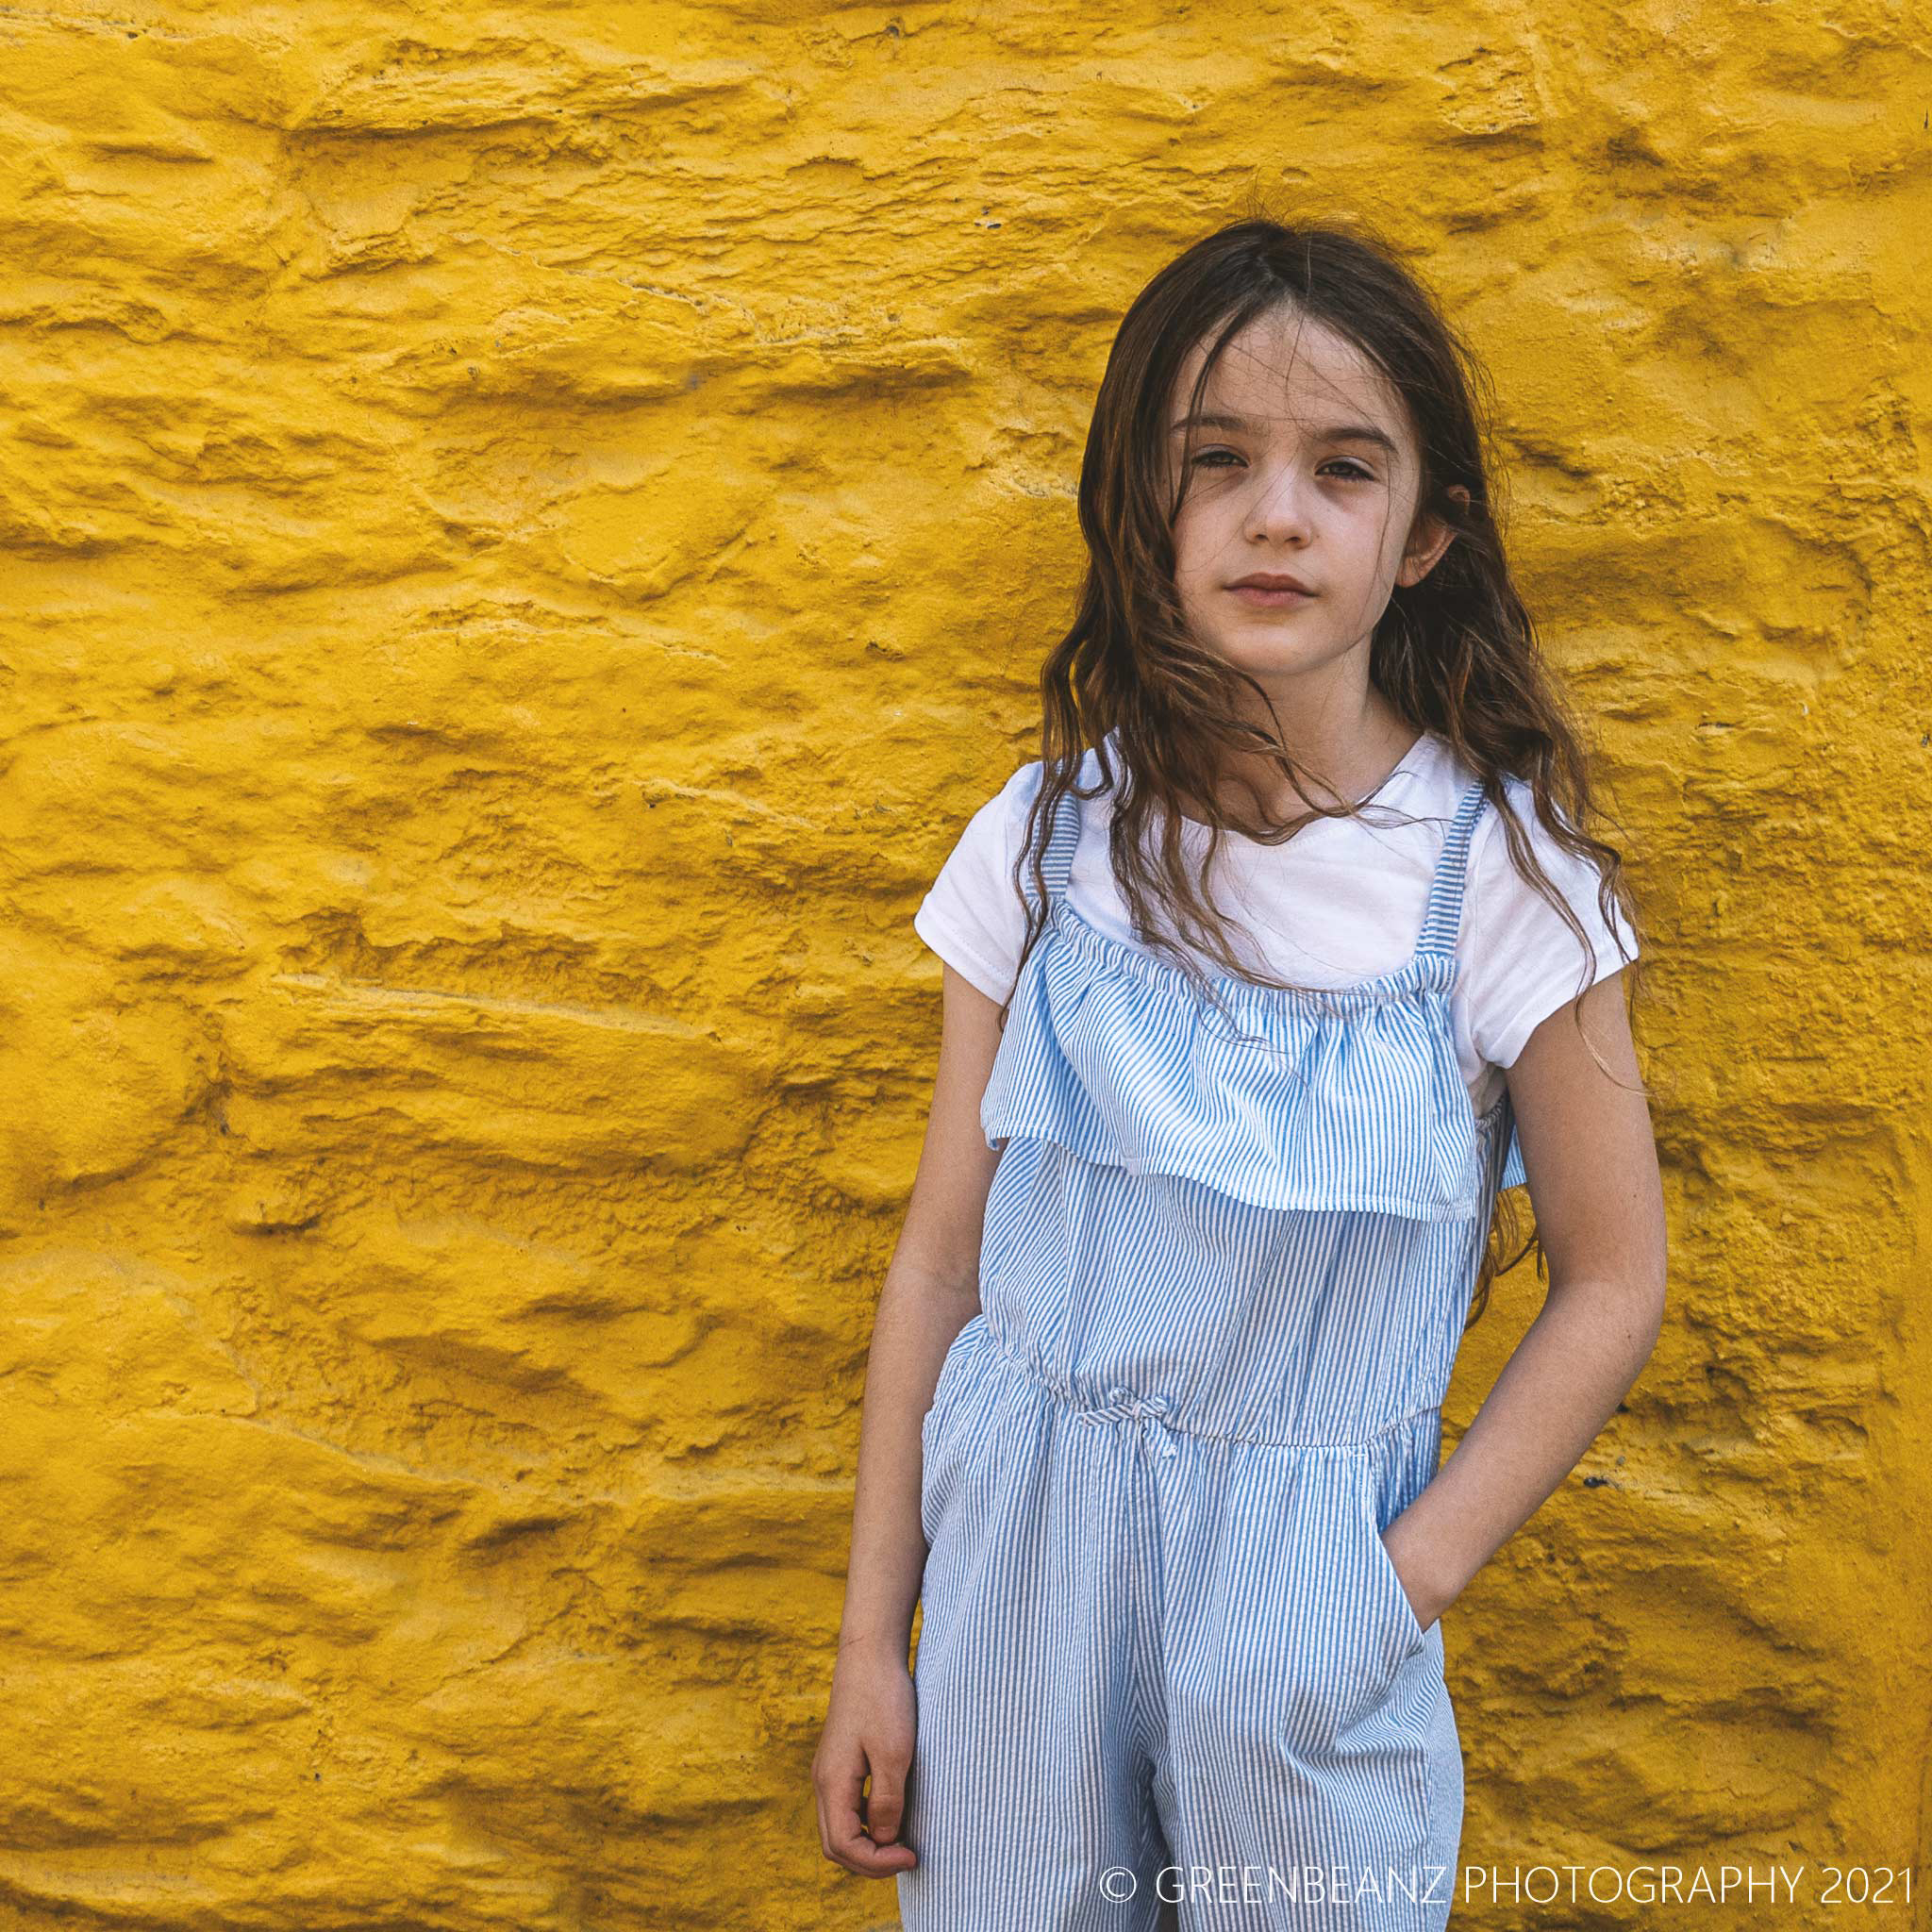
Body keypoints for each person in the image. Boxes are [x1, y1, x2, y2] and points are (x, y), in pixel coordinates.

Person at [811, 215, 1669, 1932]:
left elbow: (1615, 1278)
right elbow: (940, 1255)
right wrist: (872, 1644)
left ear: (1424, 535)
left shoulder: (1501, 886)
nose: (1278, 514)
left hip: (1308, 1588)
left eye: (1343, 469)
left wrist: (1385, 1591)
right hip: (1018, 1564)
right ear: (1144, 504)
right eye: (1218, 463)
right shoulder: (1049, 840)